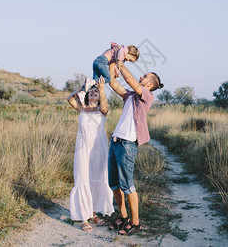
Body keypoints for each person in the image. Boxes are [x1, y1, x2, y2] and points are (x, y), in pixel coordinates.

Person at [107, 61, 163, 235]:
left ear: (149, 84)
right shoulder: (130, 95)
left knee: (127, 185)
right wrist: (112, 64)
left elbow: (130, 79)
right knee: (114, 184)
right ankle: (123, 217)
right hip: (115, 141)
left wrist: (121, 63)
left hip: (127, 144)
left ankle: (136, 222)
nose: (141, 76)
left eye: (144, 76)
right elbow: (113, 84)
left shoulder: (147, 96)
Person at [66, 77, 114, 232]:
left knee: (96, 179)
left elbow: (105, 106)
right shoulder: (82, 108)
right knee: (83, 179)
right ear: (87, 95)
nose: (93, 92)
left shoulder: (102, 110)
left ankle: (93, 213)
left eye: (96, 92)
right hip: (82, 149)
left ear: (100, 96)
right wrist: (81, 87)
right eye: (91, 91)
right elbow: (69, 98)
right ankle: (84, 218)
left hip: (98, 149)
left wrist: (101, 89)